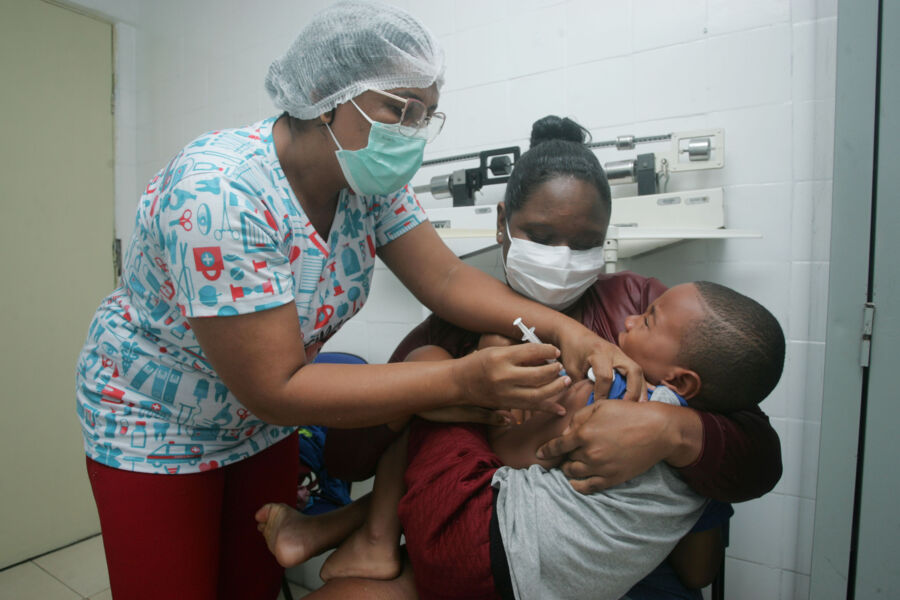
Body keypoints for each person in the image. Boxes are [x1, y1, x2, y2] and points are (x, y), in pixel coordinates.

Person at [74, 5, 643, 598]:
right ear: (325, 97)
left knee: (251, 584)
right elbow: (277, 386)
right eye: (400, 109)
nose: (412, 132)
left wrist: (568, 331)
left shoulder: (366, 184)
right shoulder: (218, 194)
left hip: (259, 426)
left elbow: (446, 279)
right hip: (157, 420)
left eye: (425, 115)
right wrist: (463, 381)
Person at [281, 115, 783, 599]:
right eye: (541, 238)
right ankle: (364, 530)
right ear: (502, 223)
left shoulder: (637, 305)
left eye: (586, 243)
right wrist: (441, 389)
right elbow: (345, 459)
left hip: (611, 569)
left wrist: (671, 431)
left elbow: (758, 454)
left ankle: (358, 529)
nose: (562, 258)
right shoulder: (450, 330)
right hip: (485, 542)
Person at [256, 280, 784, 600]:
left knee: (428, 363)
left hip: (474, 552)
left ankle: (374, 542)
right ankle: (349, 532)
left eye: (646, 321)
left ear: (682, 380)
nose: (628, 319)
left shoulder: (621, 395)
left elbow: (508, 454)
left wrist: (488, 396)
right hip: (532, 582)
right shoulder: (705, 438)